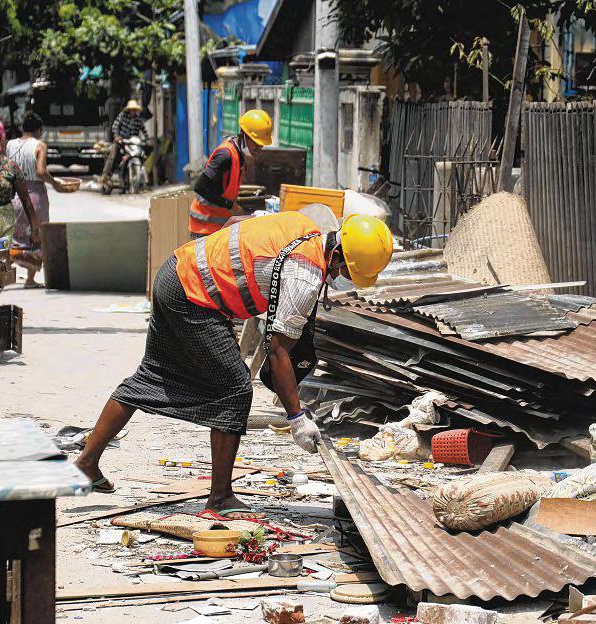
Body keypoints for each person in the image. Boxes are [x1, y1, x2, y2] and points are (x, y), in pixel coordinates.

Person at [74, 211, 394, 518]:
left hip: (176, 271)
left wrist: (220, 269)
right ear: (336, 254)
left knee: (151, 376)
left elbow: (237, 222)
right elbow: (279, 352)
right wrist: (297, 418)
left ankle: (88, 461)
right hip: (193, 295)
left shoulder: (302, 224)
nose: (339, 277)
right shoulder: (305, 276)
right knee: (236, 387)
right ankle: (220, 497)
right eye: (344, 271)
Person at [7, 112, 70, 287]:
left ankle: (5, 272)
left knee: (15, 234)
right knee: (36, 234)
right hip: (35, 195)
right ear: (40, 130)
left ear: (22, 128)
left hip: (14, 194)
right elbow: (41, 172)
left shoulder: (10, 144)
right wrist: (55, 182)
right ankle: (29, 279)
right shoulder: (40, 145)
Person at [189, 109, 273, 238]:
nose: (259, 148)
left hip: (217, 227)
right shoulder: (225, 155)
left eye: (261, 145)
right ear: (244, 135)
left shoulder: (239, 155)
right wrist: (230, 205)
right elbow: (200, 187)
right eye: (256, 143)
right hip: (204, 227)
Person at [100, 99, 147, 185]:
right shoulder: (122, 116)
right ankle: (106, 175)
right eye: (132, 109)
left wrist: (147, 139)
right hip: (121, 141)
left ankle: (140, 179)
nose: (133, 111)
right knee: (114, 155)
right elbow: (114, 126)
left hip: (132, 142)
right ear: (129, 110)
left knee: (142, 155)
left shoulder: (138, 120)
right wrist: (117, 136)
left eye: (134, 110)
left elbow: (144, 131)